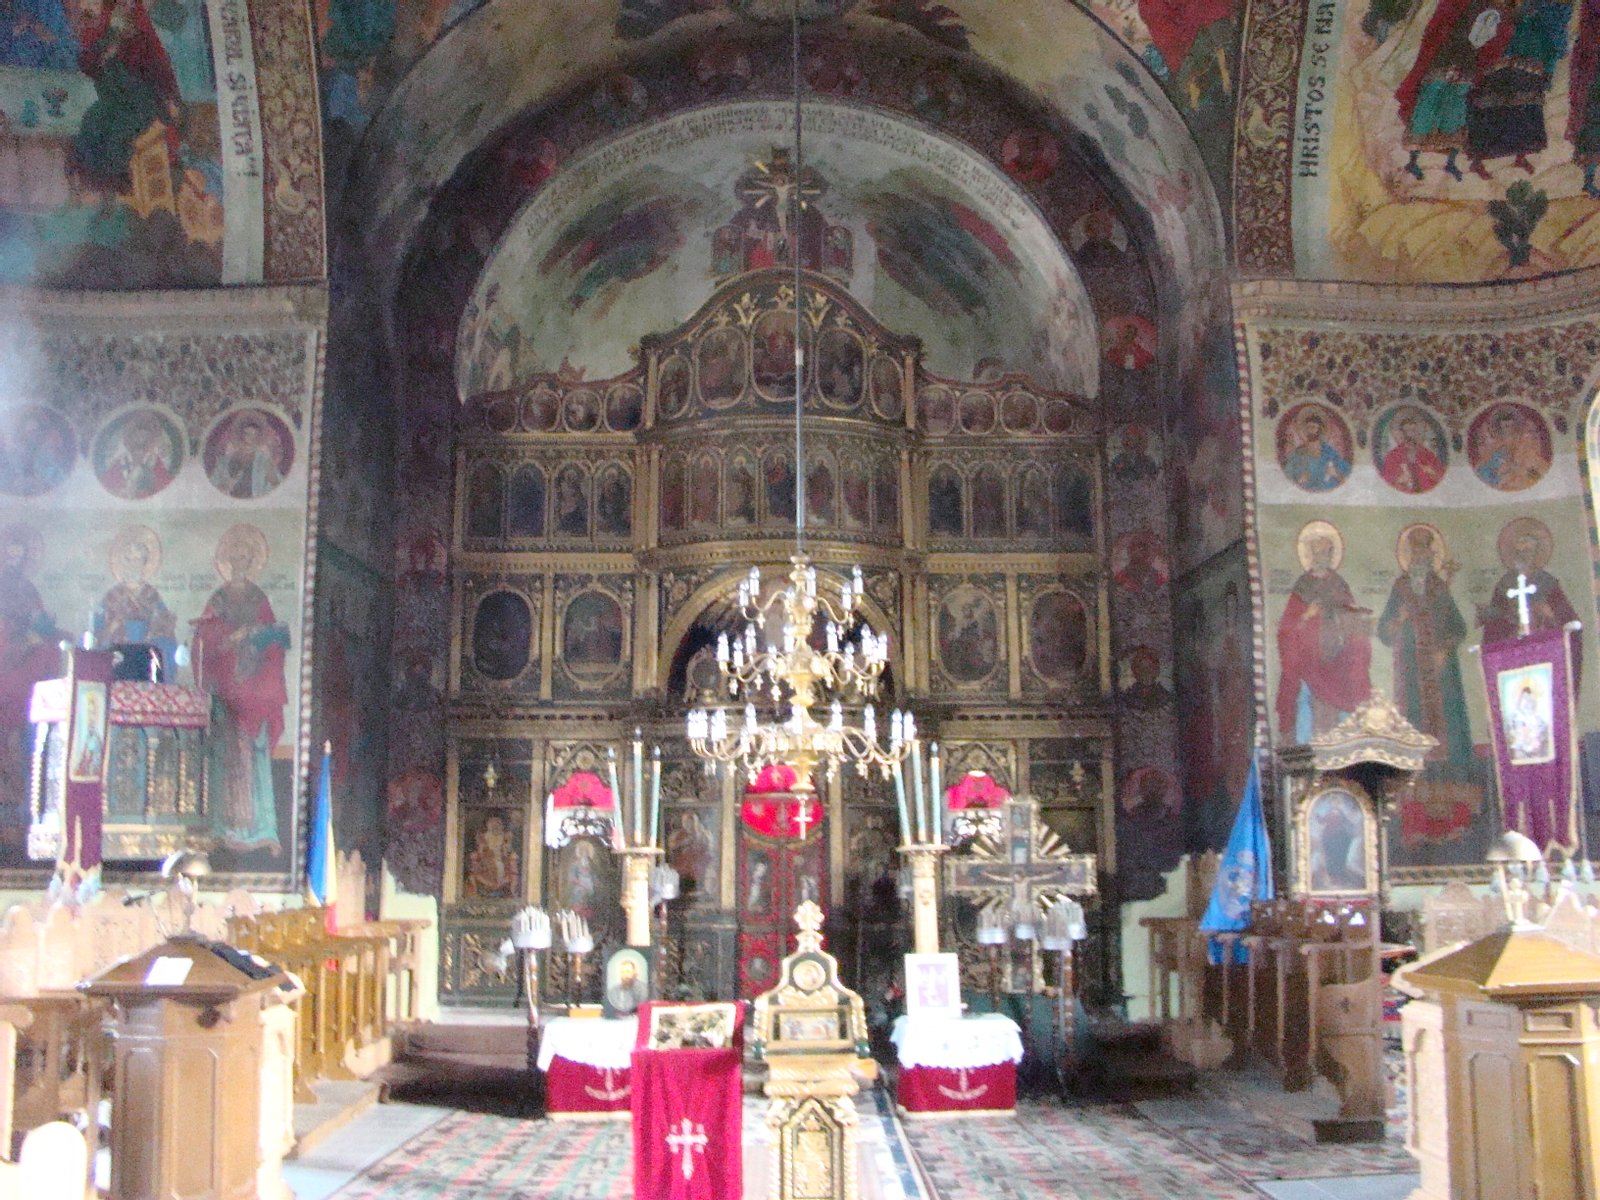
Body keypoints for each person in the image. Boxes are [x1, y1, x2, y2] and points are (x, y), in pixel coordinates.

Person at [191, 525, 288, 853]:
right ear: (228, 561)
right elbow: (203, 640)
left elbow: (274, 639)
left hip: (253, 690)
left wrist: (254, 638)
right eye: (236, 558)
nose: (240, 563)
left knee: (252, 756)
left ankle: (258, 827)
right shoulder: (217, 599)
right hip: (226, 691)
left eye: (246, 558)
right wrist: (227, 639)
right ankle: (222, 825)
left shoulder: (259, 598)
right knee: (225, 755)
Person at [1378, 527, 1474, 768]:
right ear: (1410, 556)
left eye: (1425, 554)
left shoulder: (1440, 588)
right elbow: (1384, 632)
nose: (1420, 558)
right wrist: (1398, 619)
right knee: (1414, 723)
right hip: (1411, 671)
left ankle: (1452, 777)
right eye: (1416, 553)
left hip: (1441, 672)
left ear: (1431, 557)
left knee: (1447, 726)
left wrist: (1444, 649)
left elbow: (1459, 628)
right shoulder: (1400, 588)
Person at [1276, 529, 1373, 741]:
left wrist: (1357, 619)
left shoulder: (1338, 583)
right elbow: (1286, 629)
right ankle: (1309, 748)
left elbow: (1351, 613)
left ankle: (1348, 744)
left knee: (1355, 661)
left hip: (1339, 657)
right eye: (1318, 552)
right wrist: (1307, 616)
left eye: (1326, 553)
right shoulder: (1303, 586)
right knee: (1312, 706)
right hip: (1312, 661)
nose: (1322, 557)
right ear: (1311, 555)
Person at [209, 412, 283, 499]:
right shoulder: (224, 462)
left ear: (259, 437)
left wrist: (273, 479)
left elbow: (278, 487)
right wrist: (225, 486)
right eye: (247, 434)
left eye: (254, 435)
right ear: (240, 435)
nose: (250, 439)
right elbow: (212, 487)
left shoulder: (264, 461)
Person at [1281, 408, 1351, 491]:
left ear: (1319, 430)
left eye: (1313, 427)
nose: (1310, 430)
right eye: (1308, 427)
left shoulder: (1329, 452)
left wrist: (1335, 473)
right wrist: (1299, 481)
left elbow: (1346, 476)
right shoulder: (1298, 453)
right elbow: (1286, 476)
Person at [1379, 409, 1446, 493]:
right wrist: (1399, 478)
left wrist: (1431, 472)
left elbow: (1440, 475)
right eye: (1407, 431)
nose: (1411, 435)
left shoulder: (1427, 454)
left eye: (1413, 431)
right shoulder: (1393, 455)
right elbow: (1387, 479)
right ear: (1402, 433)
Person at [1506, 684, 1553, 763]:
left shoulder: (1539, 720)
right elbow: (1511, 735)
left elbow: (1544, 735)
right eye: (1523, 700)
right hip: (1520, 754)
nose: (1527, 704)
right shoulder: (1514, 719)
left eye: (1530, 701)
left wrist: (1536, 738)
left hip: (1537, 755)